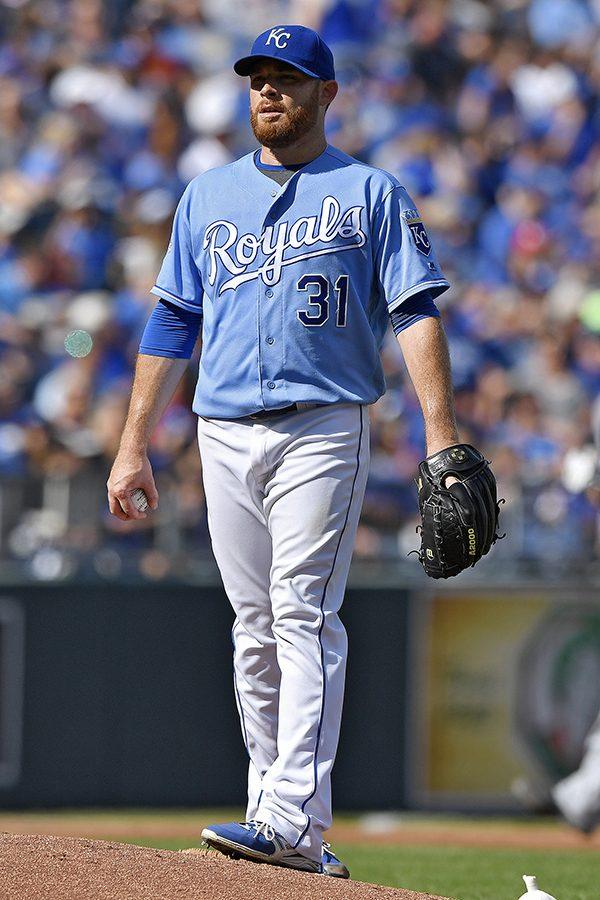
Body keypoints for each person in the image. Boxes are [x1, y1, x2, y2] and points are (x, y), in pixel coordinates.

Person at [107, 24, 460, 878]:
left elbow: (414, 310)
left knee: (302, 612)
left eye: (289, 78)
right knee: (254, 627)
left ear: (326, 94)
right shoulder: (206, 195)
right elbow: (170, 323)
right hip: (221, 429)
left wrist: (442, 433)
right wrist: (132, 447)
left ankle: (293, 820)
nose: (269, 91)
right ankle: (276, 810)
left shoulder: (368, 192)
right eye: (258, 78)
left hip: (323, 424)